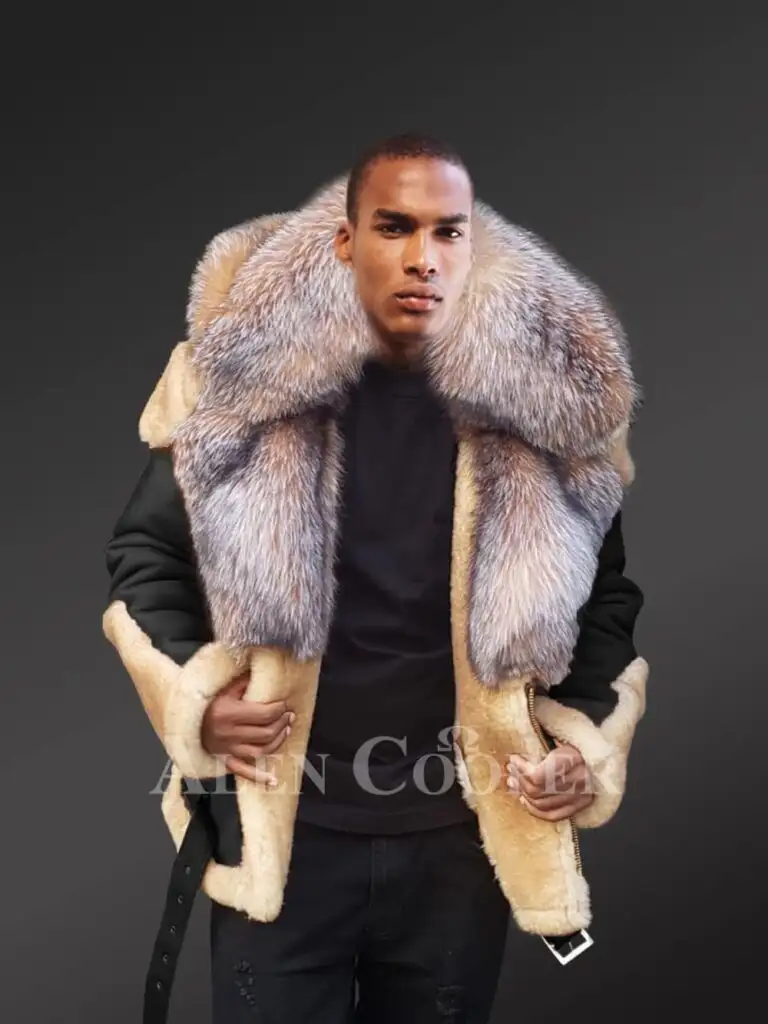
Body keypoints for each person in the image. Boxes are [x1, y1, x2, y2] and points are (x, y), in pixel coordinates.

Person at [103, 132, 649, 1023]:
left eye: (447, 232)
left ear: (472, 244)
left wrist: (576, 745)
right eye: (394, 227)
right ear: (346, 239)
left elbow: (607, 597)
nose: (422, 258)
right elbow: (145, 556)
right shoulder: (237, 382)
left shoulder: (545, 406)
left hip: (458, 842)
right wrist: (197, 701)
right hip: (284, 832)